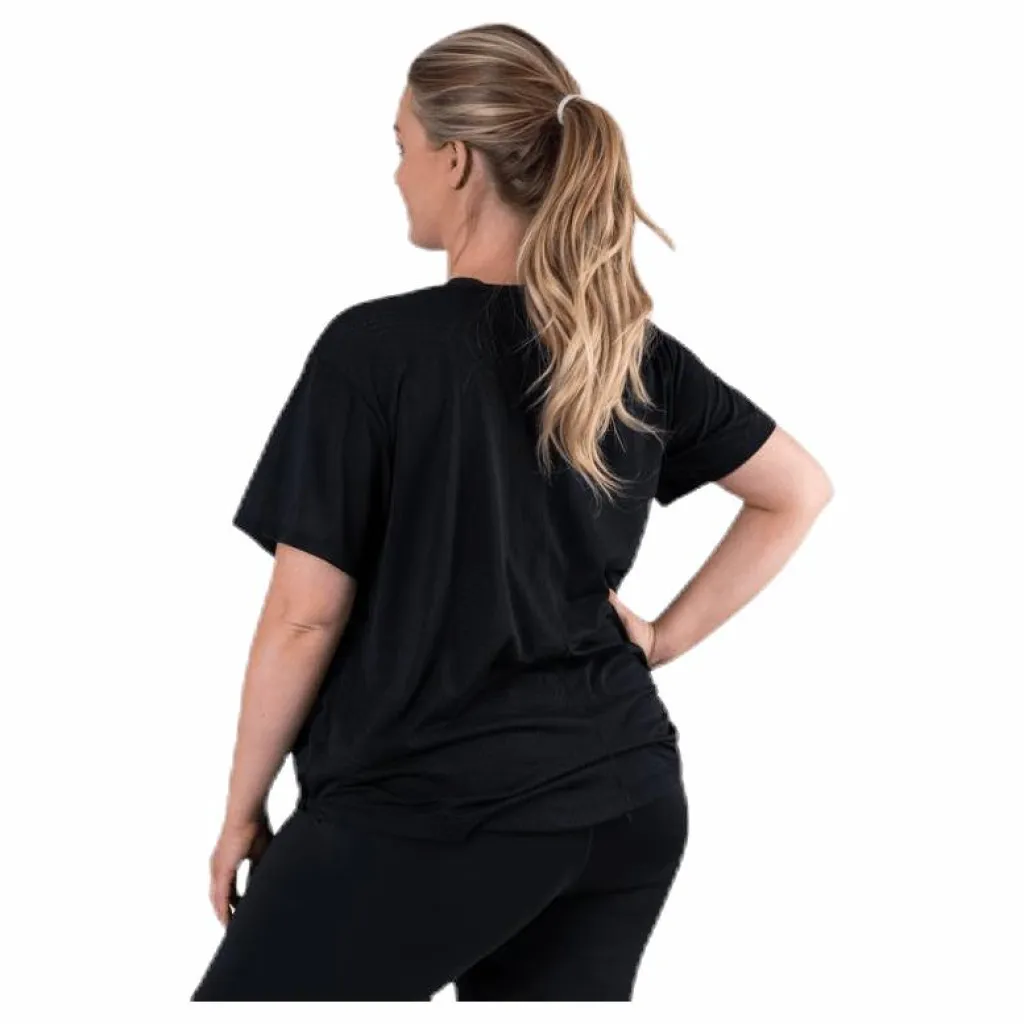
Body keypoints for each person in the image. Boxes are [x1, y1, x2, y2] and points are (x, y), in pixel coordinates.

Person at [190, 22, 832, 1002]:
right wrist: (659, 641)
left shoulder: (375, 352)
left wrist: (241, 810)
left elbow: (304, 615)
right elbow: (796, 490)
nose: (396, 173)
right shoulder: (627, 351)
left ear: (455, 160)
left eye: (401, 144)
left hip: (427, 810)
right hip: (623, 802)